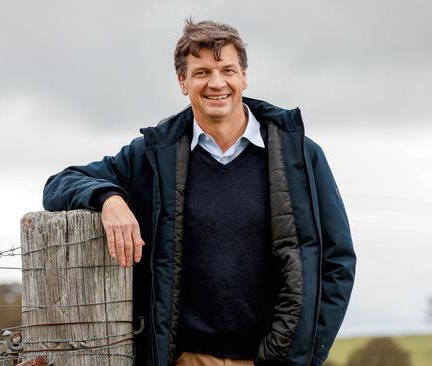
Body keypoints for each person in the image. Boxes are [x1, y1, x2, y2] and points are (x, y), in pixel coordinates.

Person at [43, 19, 356, 366]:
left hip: (270, 359)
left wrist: (307, 355)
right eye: (202, 72)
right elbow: (60, 183)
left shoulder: (299, 155)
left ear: (244, 77)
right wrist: (108, 198)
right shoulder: (152, 155)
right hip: (186, 359)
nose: (217, 83)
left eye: (227, 70)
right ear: (183, 82)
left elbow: (338, 261)